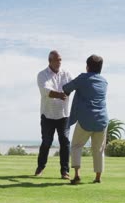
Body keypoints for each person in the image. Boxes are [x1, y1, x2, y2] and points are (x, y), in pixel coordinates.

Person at [62, 54, 108, 184]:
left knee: (76, 146)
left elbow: (66, 88)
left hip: (85, 119)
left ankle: (77, 175)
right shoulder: (104, 81)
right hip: (102, 119)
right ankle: (98, 177)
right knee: (98, 149)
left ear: (87, 67)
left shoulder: (82, 78)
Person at [35, 50, 73, 179]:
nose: (59, 62)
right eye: (57, 60)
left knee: (65, 142)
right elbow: (46, 91)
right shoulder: (42, 74)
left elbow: (73, 86)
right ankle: (40, 167)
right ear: (50, 61)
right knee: (46, 142)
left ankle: (65, 171)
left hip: (63, 114)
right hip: (47, 115)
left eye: (60, 59)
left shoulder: (67, 73)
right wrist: (62, 94)